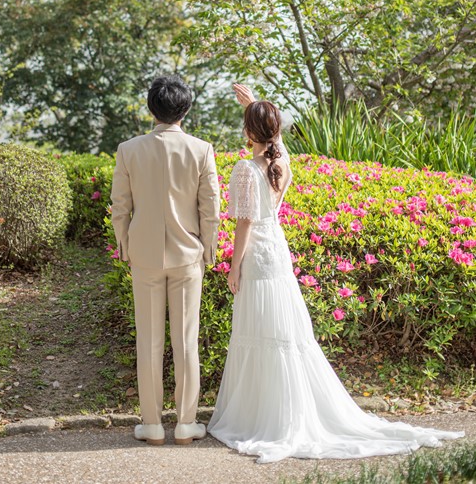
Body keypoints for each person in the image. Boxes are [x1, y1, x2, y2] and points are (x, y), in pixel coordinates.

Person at [207, 86, 464, 463]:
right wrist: (258, 109)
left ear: (248, 133)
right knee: (283, 332)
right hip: (277, 252)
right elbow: (275, 143)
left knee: (260, 329)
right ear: (274, 131)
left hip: (258, 256)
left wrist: (233, 265)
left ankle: (261, 415)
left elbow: (243, 224)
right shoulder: (281, 164)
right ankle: (286, 412)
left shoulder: (246, 169)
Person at [111, 75, 220, 446]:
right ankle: (186, 424)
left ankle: (152, 424)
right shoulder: (201, 149)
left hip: (143, 256)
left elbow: (120, 208)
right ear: (185, 109)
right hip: (188, 255)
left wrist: (124, 245)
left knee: (149, 341)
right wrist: (210, 249)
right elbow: (211, 210)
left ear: (150, 108)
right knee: (186, 342)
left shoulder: (128, 149)